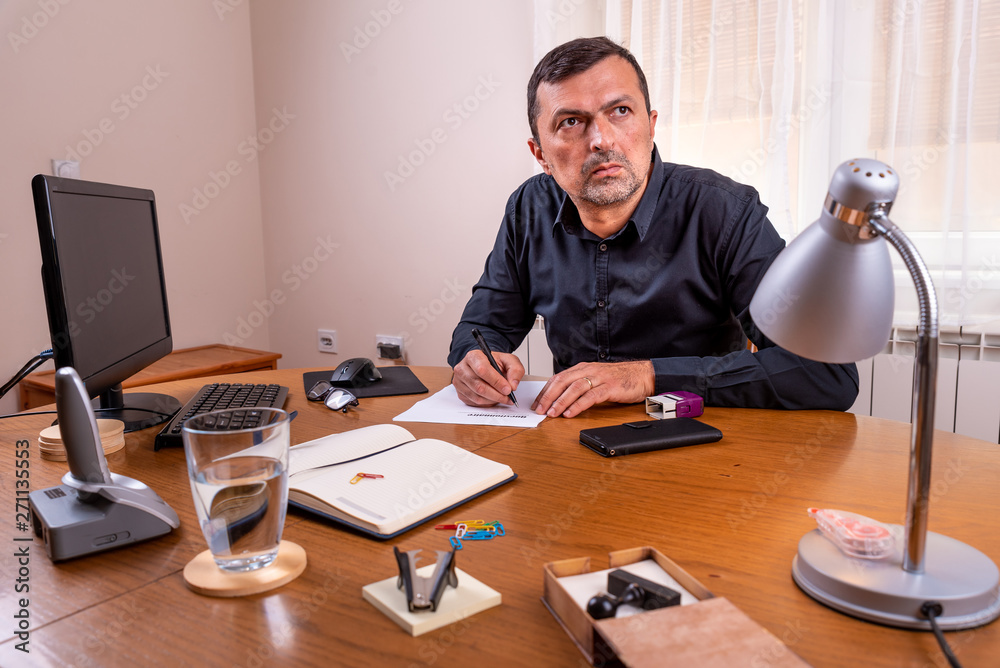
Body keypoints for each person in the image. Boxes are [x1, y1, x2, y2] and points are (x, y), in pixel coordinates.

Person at [448, 36, 858, 418]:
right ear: (540, 154)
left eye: (620, 111)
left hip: (702, 448)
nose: (601, 140)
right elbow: (483, 327)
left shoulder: (724, 211)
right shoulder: (529, 208)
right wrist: (473, 361)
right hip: (572, 445)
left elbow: (826, 373)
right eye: (571, 121)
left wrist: (646, 377)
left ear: (651, 124)